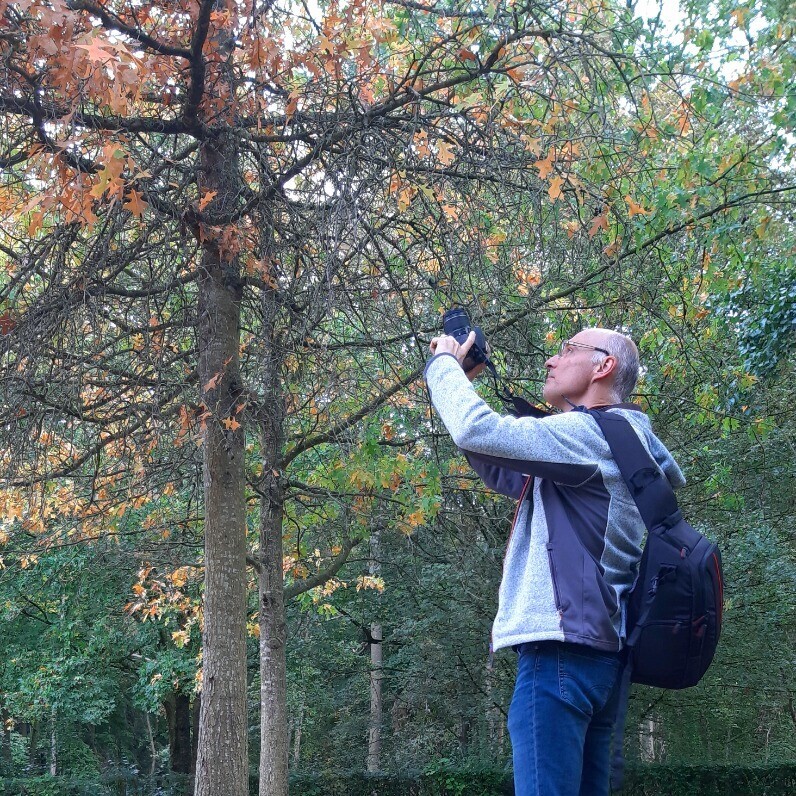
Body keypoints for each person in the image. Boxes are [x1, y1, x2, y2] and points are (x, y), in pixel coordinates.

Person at [424, 327, 685, 796]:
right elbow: (500, 459)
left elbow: (477, 430)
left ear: (604, 366)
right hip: (603, 658)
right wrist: (467, 386)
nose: (551, 359)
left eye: (568, 350)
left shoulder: (589, 435)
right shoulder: (625, 444)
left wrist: (443, 364)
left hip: (559, 655)